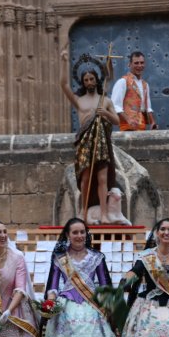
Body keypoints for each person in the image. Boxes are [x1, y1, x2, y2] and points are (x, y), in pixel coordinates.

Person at [42, 218, 119, 337]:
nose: (79, 236)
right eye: (75, 232)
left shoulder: (96, 257)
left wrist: (108, 310)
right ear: (68, 235)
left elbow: (105, 286)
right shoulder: (60, 258)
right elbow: (52, 286)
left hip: (92, 310)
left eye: (82, 232)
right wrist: (50, 304)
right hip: (66, 311)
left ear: (87, 234)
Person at [60, 50, 120, 223]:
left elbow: (116, 120)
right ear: (83, 82)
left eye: (91, 79)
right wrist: (64, 61)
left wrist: (105, 114)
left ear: (96, 80)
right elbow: (64, 85)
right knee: (85, 178)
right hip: (85, 142)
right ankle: (84, 214)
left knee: (102, 178)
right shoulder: (79, 101)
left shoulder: (105, 100)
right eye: (86, 80)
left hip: (101, 143)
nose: (89, 82)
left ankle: (104, 213)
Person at [110, 51, 158, 131]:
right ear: (129, 64)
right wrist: (128, 120)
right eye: (136, 63)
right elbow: (115, 105)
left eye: (142, 63)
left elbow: (148, 107)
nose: (139, 65)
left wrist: (153, 122)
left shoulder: (145, 85)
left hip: (142, 127)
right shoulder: (123, 81)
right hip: (127, 128)